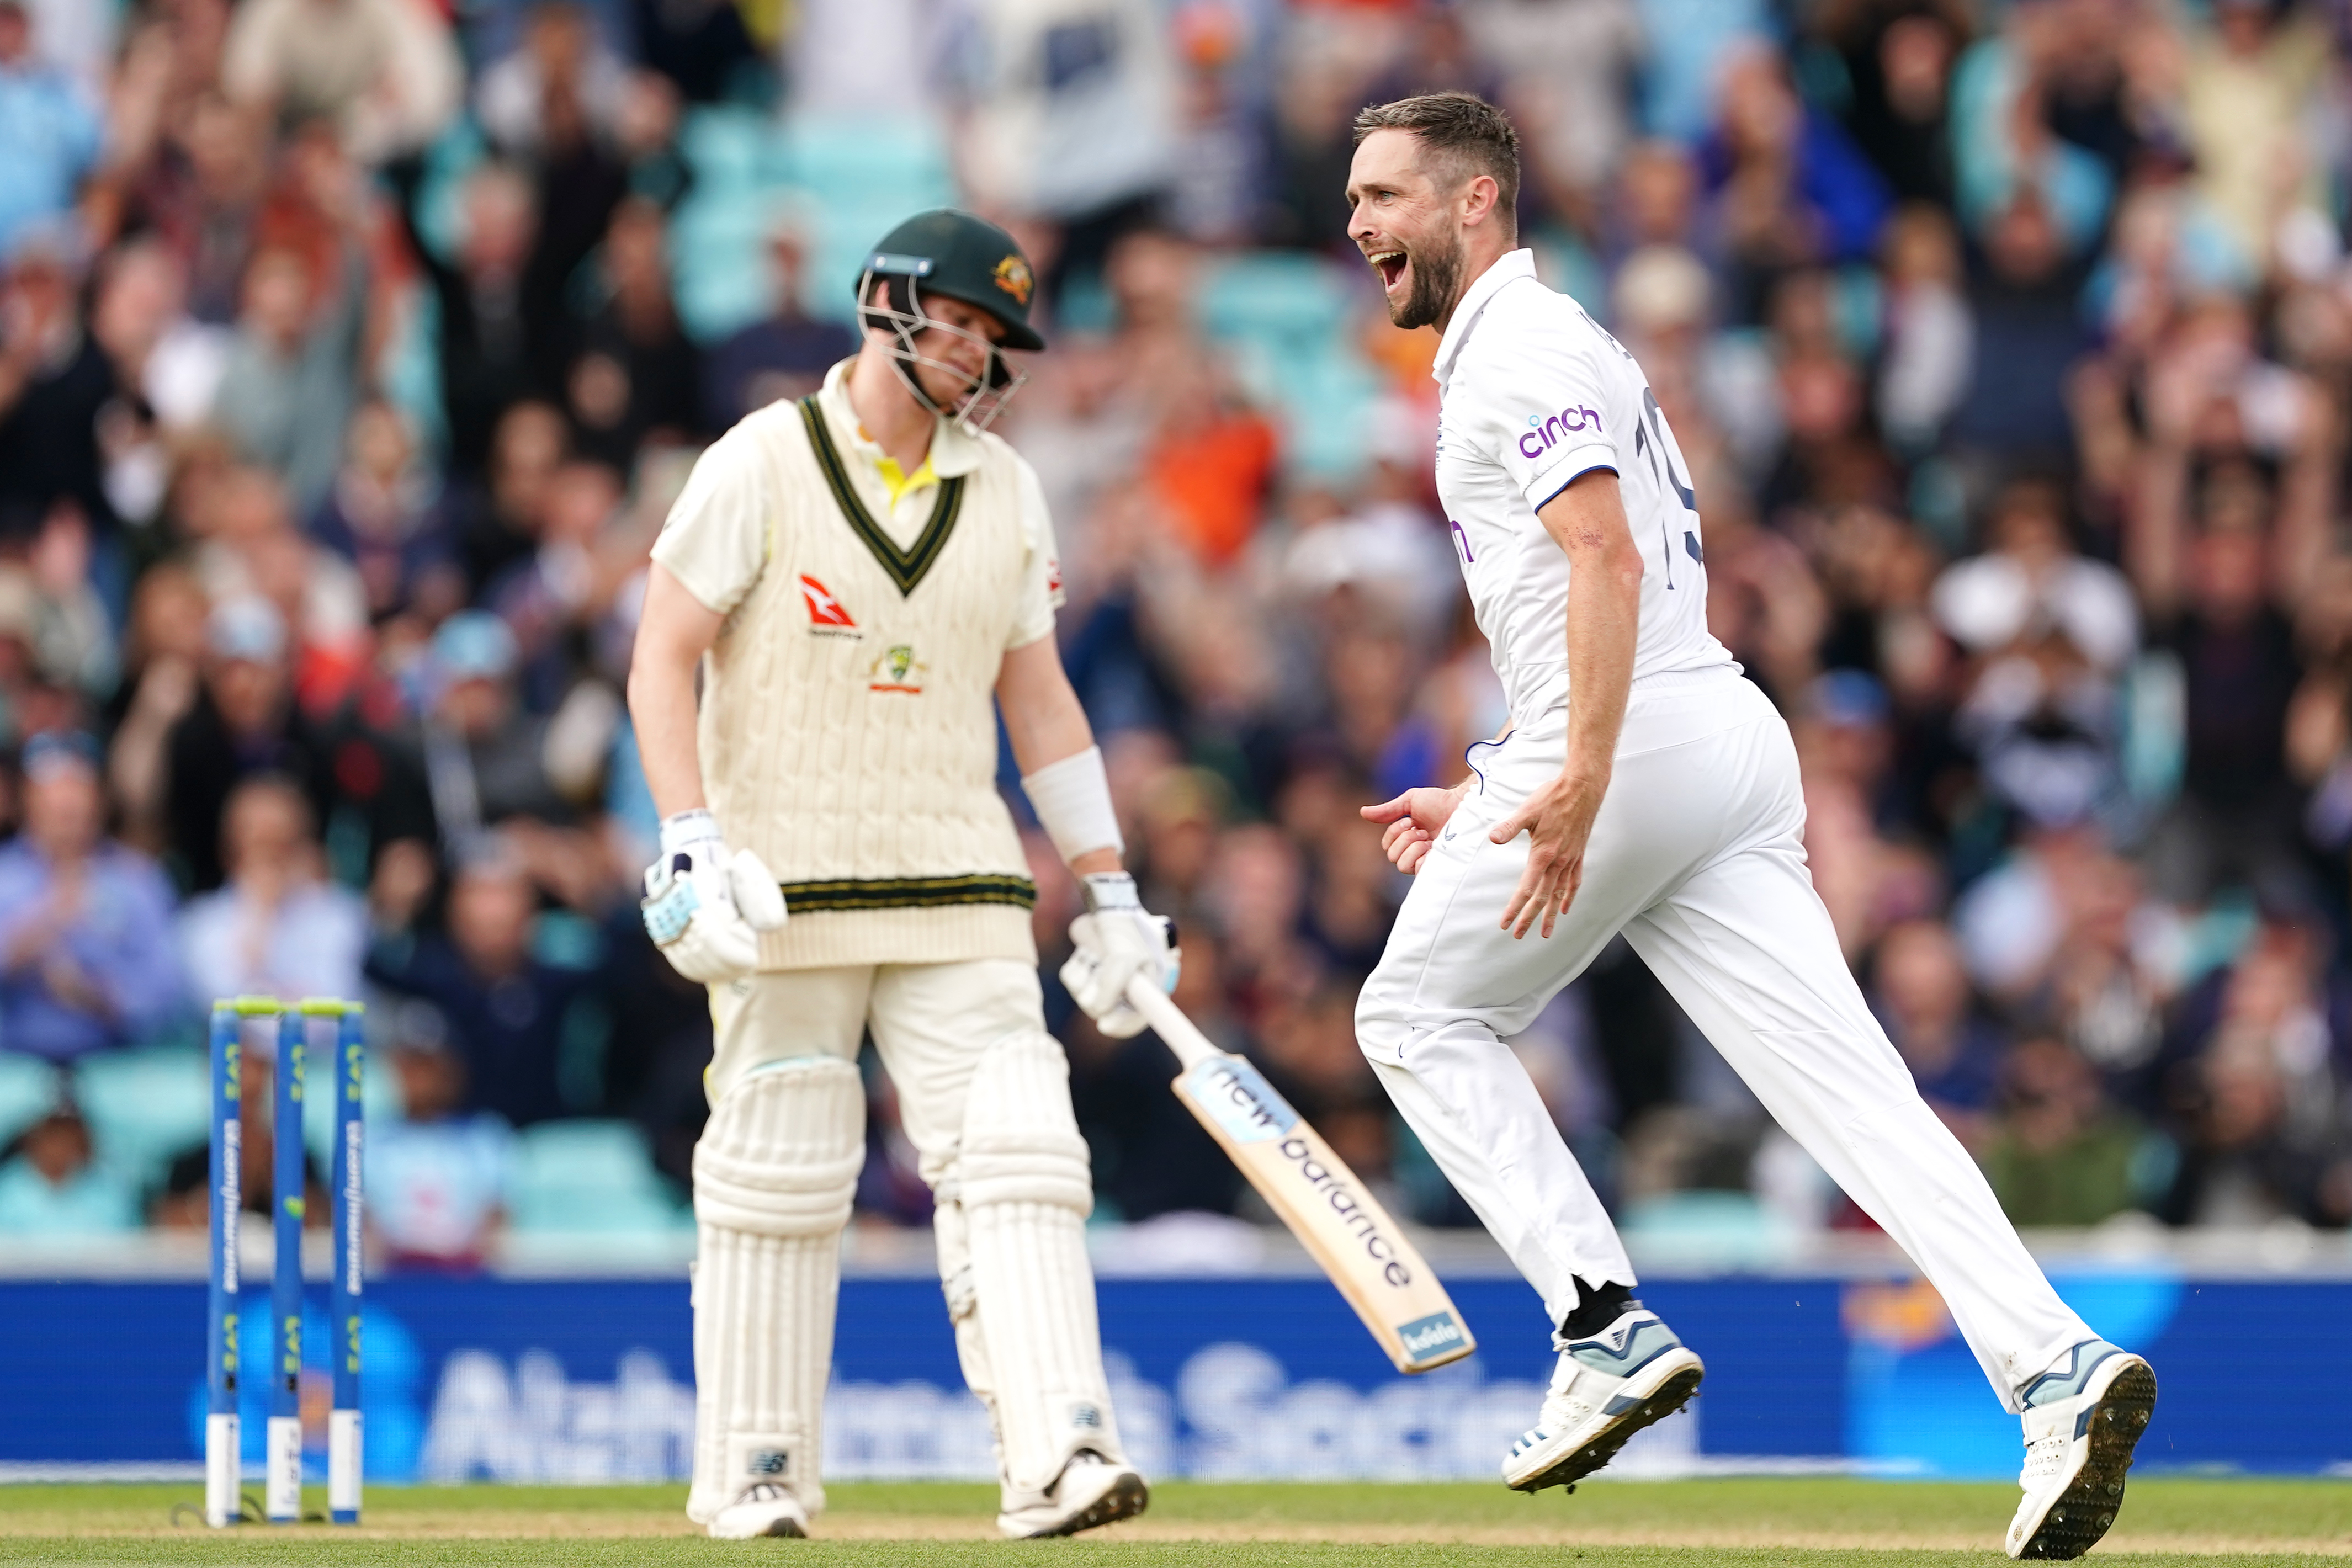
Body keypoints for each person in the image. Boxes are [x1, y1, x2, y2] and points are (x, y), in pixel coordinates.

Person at [1340, 93, 2153, 1561]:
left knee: (1408, 1017)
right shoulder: (1564, 340)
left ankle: (1597, 1321)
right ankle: (2052, 1365)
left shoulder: (1513, 352)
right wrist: (1508, 776)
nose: (1356, 224)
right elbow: (1584, 582)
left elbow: (1598, 558)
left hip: (1636, 733)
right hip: (1709, 735)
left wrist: (1575, 774)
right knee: (1858, 1101)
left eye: (1385, 195)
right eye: (1350, 200)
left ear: (1475, 204)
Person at [627, 209, 1167, 1540]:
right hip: (779, 883)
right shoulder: (761, 458)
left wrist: (1104, 884)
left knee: (1025, 1150)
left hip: (960, 881)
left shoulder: (1008, 488)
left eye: (995, 337)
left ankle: (1060, 1453)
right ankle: (753, 1470)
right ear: (884, 302)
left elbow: (1039, 705)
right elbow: (659, 657)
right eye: (958, 320)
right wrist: (687, 834)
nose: (974, 353)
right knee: (779, 1163)